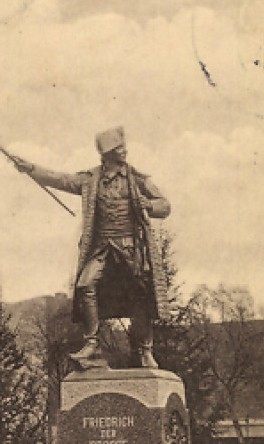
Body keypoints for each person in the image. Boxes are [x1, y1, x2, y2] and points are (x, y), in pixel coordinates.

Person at [13, 126, 171, 369]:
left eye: (123, 147)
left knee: (141, 296)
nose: (124, 151)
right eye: (118, 149)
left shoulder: (138, 179)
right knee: (86, 285)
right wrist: (31, 169)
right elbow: (60, 179)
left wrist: (148, 205)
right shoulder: (90, 179)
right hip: (101, 248)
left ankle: (145, 350)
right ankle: (91, 344)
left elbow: (165, 206)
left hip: (131, 249)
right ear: (106, 154)